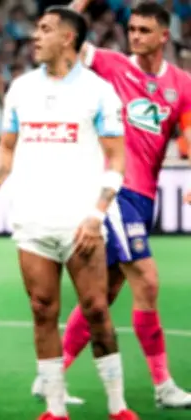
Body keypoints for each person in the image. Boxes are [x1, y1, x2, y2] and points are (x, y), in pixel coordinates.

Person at [0, 6, 138, 420]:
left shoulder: (98, 92)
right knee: (42, 309)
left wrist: (97, 213)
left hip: (81, 222)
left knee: (96, 309)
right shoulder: (21, 89)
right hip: (32, 221)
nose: (36, 36)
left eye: (45, 29)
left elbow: (117, 160)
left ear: (68, 38)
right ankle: (54, 408)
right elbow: (6, 149)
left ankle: (118, 406)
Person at [31, 1, 191, 408]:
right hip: (115, 188)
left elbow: (189, 135)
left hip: (145, 196)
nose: (134, 36)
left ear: (164, 36)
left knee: (104, 292)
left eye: (144, 30)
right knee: (147, 281)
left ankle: (51, 376)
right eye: (131, 29)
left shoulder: (182, 84)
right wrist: (79, 4)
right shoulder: (112, 65)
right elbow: (64, 38)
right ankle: (164, 386)